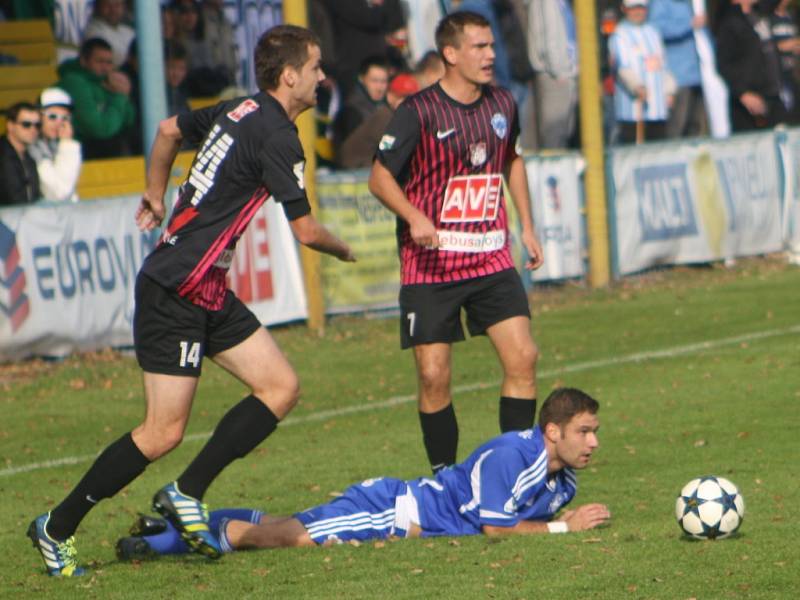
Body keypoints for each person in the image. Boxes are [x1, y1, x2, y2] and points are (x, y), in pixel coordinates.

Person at [27, 24, 356, 578]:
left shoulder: (238, 109)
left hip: (205, 288)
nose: (323, 77)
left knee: (280, 387)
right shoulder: (278, 134)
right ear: (291, 75)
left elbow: (165, 130)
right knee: (162, 432)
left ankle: (186, 491)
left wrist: (156, 193)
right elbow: (304, 232)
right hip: (176, 290)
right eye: (317, 67)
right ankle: (55, 527)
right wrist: (344, 249)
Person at [116, 388, 610, 558]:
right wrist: (567, 528)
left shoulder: (562, 480)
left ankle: (168, 528)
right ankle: (173, 538)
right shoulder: (514, 457)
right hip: (391, 513)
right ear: (551, 430)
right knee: (293, 539)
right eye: (584, 431)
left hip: (400, 511)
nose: (593, 442)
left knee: (295, 522)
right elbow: (497, 529)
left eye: (594, 432)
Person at [368, 11, 544, 475]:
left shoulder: (503, 103)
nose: (490, 56)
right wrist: (413, 216)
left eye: (491, 46)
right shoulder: (418, 111)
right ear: (451, 53)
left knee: (523, 357)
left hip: (491, 257)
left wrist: (526, 224)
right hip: (431, 267)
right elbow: (379, 178)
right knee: (433, 377)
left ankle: (515, 472)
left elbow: (513, 160)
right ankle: (446, 477)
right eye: (479, 48)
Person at [608, 0, 676, 144]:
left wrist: (669, 90)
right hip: (633, 112)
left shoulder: (653, 32)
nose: (638, 11)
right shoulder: (620, 34)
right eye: (633, 8)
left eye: (641, 7)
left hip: (658, 109)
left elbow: (663, 66)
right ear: (624, 9)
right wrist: (637, 86)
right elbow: (622, 68)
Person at [56, 37, 136, 159]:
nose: (105, 68)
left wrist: (124, 92)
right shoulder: (74, 82)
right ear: (84, 61)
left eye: (109, 62)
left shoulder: (108, 83)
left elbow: (129, 120)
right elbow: (100, 129)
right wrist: (120, 96)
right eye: (100, 61)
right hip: (79, 151)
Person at [714, 0, 787, 131]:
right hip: (749, 102)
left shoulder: (759, 14)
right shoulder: (729, 21)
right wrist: (743, 93)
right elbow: (723, 64)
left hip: (773, 95)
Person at [648, 0, 708, 138]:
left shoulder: (693, 3)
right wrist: (688, 25)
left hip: (700, 75)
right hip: (678, 77)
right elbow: (656, 29)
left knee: (697, 126)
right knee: (678, 125)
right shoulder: (660, 3)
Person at [338, 72, 419, 169]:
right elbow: (394, 155)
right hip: (355, 169)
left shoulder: (395, 116)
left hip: (367, 166)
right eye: (403, 97)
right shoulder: (385, 117)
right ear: (390, 96)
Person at [527, 0, 580, 149]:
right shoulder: (547, 2)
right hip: (556, 76)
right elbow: (548, 36)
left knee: (567, 131)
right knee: (555, 135)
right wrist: (559, 71)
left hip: (568, 73)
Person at [28, 87, 81, 202]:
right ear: (38, 117)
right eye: (52, 116)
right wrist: (67, 145)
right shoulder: (32, 146)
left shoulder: (57, 144)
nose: (59, 123)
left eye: (65, 118)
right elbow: (59, 193)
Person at [333, 55, 391, 154]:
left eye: (383, 81)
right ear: (361, 79)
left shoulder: (385, 107)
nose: (379, 87)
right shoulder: (352, 111)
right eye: (374, 81)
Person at [0, 102, 41, 206]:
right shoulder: (3, 156)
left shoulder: (29, 156)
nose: (33, 130)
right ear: (10, 126)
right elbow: (13, 198)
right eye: (26, 125)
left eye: (37, 125)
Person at [82, 0, 135, 68]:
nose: (113, 10)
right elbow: (115, 59)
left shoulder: (128, 31)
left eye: (117, 5)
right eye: (107, 5)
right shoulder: (93, 30)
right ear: (98, 7)